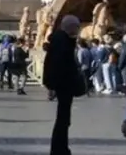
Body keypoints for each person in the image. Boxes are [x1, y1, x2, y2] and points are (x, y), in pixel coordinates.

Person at [43, 15, 87, 155]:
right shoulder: (63, 42)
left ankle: (60, 147)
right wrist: (55, 85)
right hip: (64, 84)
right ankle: (59, 149)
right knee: (63, 119)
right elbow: (60, 65)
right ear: (70, 27)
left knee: (63, 119)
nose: (78, 29)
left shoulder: (60, 40)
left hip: (62, 83)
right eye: (77, 26)